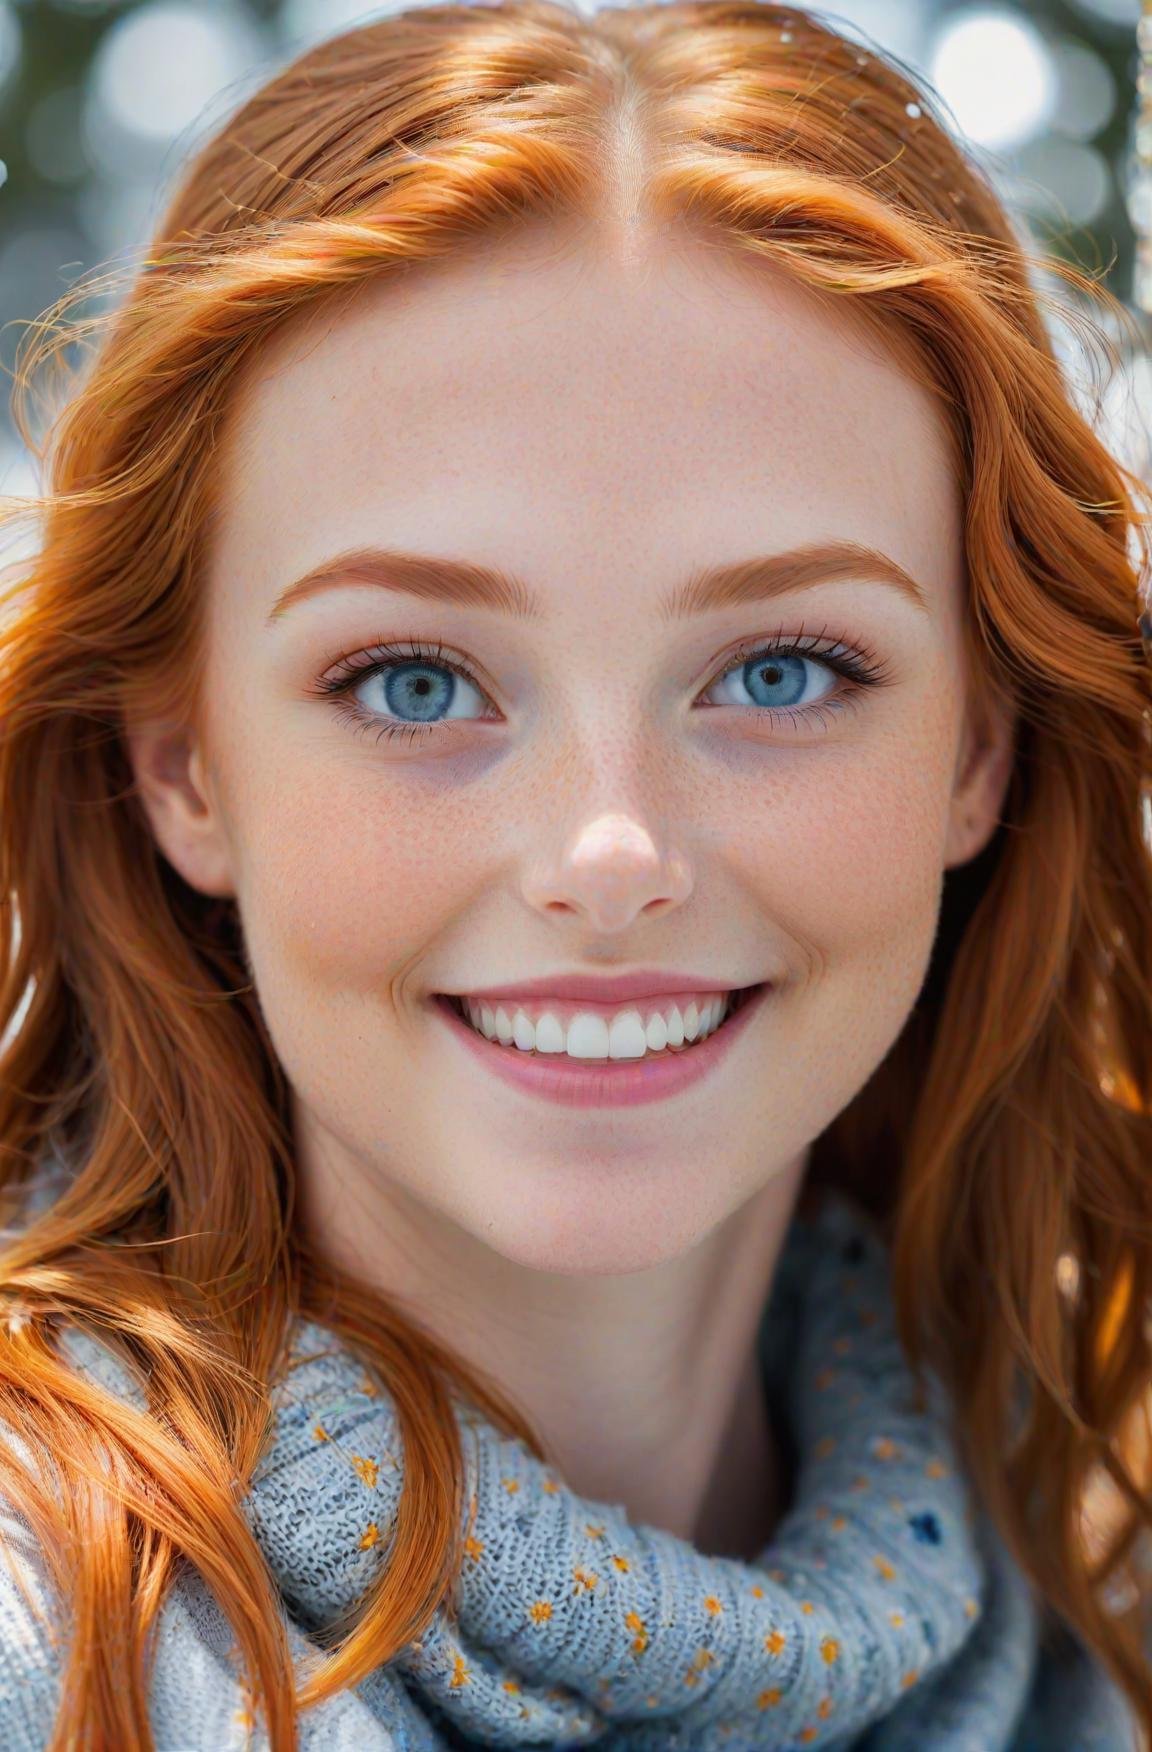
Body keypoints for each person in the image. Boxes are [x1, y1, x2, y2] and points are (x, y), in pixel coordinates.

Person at [0, 1, 1149, 1746]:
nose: (610, 858)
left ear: (979, 755)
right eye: (413, 682)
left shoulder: (1099, 1600)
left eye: (782, 672)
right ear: (184, 768)